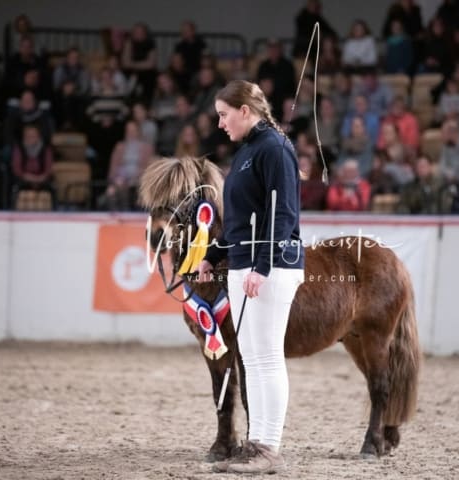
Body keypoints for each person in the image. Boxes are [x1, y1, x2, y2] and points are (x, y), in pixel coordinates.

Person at [195, 80, 304, 474]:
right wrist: (213, 253)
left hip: (270, 267)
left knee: (267, 356)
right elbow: (241, 219)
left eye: (224, 114)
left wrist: (262, 265)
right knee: (253, 359)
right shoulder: (246, 152)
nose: (220, 123)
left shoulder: (275, 148)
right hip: (242, 263)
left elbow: (284, 213)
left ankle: (268, 448)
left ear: (245, 110)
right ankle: (255, 443)